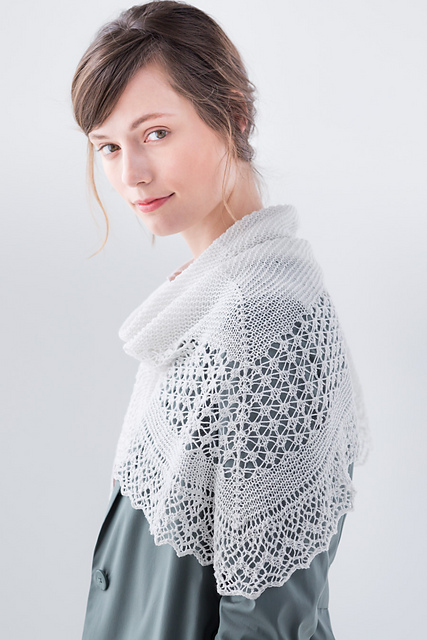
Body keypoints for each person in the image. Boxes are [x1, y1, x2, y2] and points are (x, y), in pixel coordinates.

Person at [71, 2, 369, 638]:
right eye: (109, 147)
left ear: (234, 115)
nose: (131, 175)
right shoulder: (205, 300)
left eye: (156, 133)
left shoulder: (269, 322)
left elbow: (266, 622)